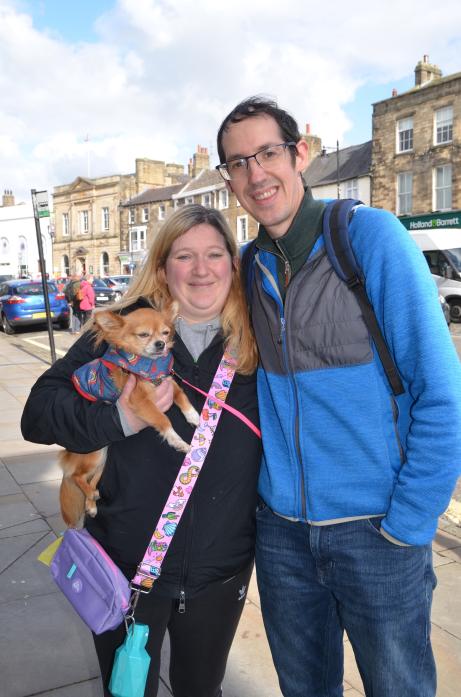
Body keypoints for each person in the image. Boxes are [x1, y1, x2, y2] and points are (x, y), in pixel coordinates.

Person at [215, 96, 461, 697]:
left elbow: (441, 393)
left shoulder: (367, 238)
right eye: (237, 163)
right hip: (283, 536)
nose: (255, 174)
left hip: (376, 530)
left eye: (267, 153)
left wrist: (408, 522)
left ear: (300, 155)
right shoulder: (247, 268)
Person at [21, 205, 261, 697]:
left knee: (202, 689)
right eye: (184, 256)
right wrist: (120, 419)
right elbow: (38, 414)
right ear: (162, 266)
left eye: (215, 254)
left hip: (221, 568)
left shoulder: (258, 339)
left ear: (232, 265)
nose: (200, 269)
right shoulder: (116, 333)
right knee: (128, 691)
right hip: (125, 564)